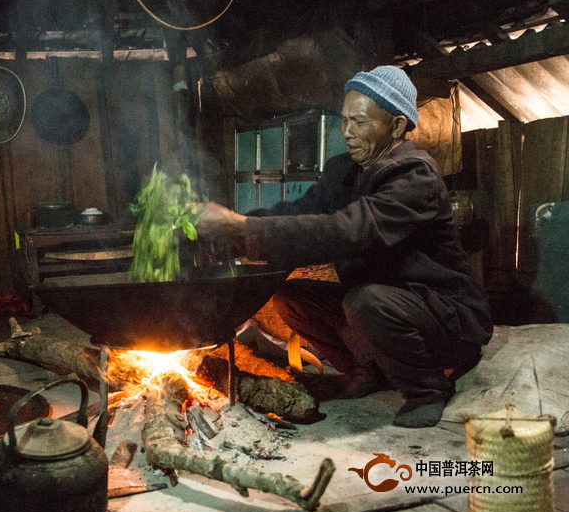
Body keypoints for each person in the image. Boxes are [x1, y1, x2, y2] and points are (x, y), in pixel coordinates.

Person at [197, 66, 492, 428]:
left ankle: (428, 389)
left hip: (443, 315)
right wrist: (235, 234)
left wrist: (242, 226)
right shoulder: (344, 171)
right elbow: (301, 212)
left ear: (397, 127)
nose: (348, 133)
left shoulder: (415, 177)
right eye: (344, 121)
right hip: (383, 304)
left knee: (364, 302)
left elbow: (349, 230)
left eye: (360, 122)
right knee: (291, 298)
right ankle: (368, 372)